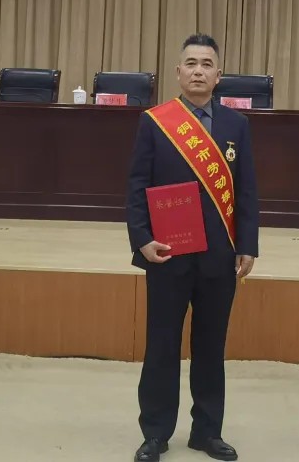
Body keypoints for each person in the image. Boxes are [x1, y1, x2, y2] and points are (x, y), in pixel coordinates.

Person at [126, 34, 260, 462]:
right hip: (168, 252)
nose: (198, 71)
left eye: (206, 64)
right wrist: (142, 238)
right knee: (162, 345)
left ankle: (207, 431)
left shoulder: (237, 125)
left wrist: (248, 244)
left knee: (210, 348)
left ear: (218, 75)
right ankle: (155, 433)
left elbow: (246, 190)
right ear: (178, 72)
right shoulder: (155, 122)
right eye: (191, 63)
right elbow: (137, 185)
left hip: (220, 255)